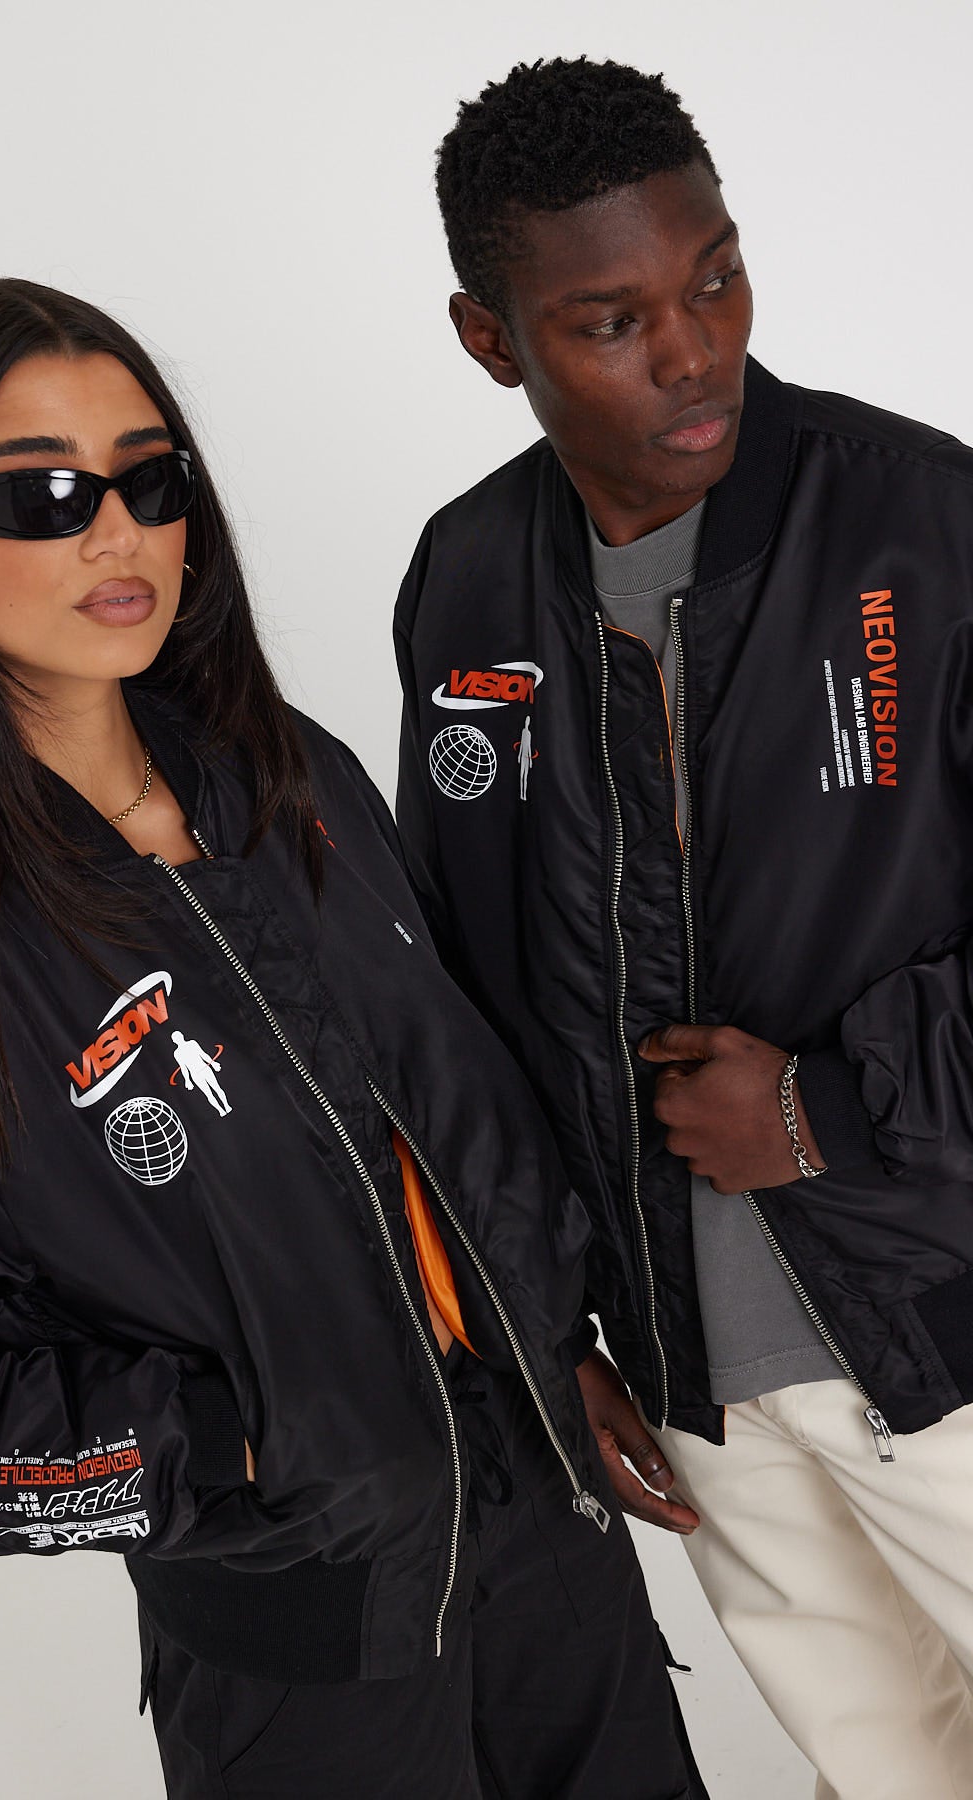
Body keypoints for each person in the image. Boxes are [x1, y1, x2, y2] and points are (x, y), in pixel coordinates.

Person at [0, 278, 705, 1800]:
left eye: (150, 481)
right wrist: (220, 1444)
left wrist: (551, 1346)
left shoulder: (294, 786)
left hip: (554, 1544)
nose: (118, 534)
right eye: (43, 496)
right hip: (307, 1650)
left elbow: (451, 1098)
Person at [394, 55, 973, 1800]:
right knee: (892, 1774)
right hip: (696, 1388)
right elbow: (463, 996)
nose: (695, 349)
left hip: (944, 1319)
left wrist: (825, 1105)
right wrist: (545, 1329)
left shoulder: (924, 526)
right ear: (492, 341)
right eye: (613, 321)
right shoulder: (467, 581)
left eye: (715, 278)